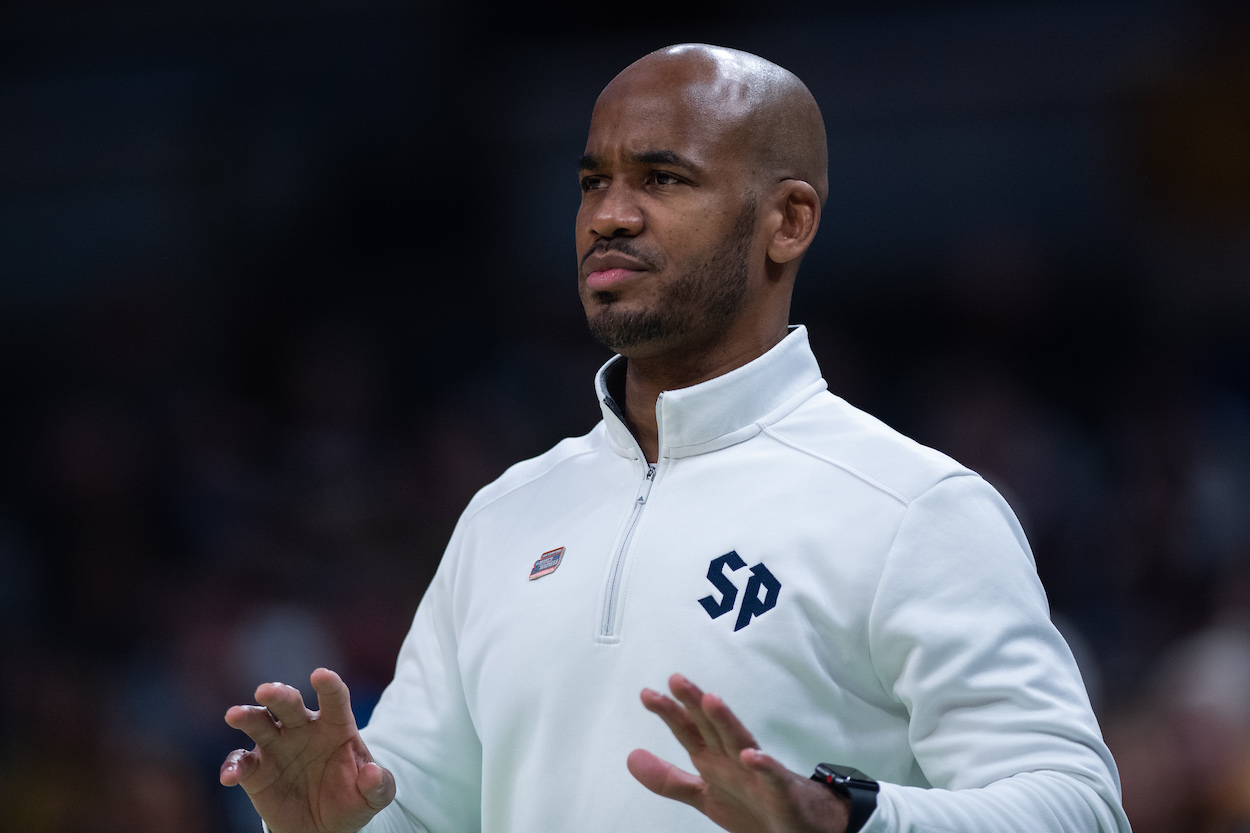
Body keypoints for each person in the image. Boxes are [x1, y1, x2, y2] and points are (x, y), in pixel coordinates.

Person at [221, 44, 1131, 833]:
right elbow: (420, 809)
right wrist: (331, 821)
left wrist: (853, 814)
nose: (609, 214)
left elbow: (1079, 806)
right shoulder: (505, 515)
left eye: (663, 178)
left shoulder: (913, 507)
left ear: (789, 221)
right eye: (593, 182)